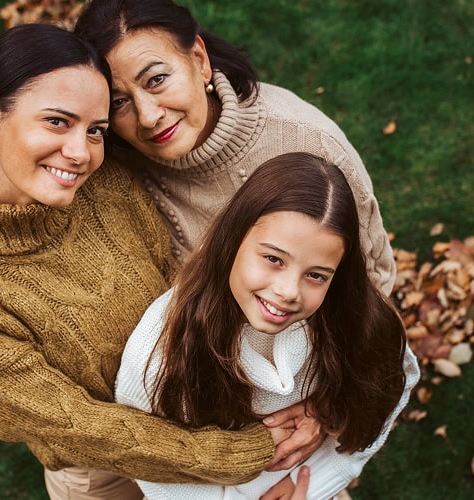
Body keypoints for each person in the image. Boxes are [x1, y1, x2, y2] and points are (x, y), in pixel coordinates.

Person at [0, 23, 315, 500]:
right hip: (110, 478)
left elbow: (179, 289)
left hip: (212, 407)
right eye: (57, 121)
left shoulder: (106, 185)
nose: (80, 154)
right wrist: (236, 457)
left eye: (95, 130)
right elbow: (77, 425)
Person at [115, 153, 421, 500]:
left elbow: (384, 396)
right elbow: (149, 462)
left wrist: (314, 485)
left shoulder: (356, 319)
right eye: (274, 259)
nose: (288, 292)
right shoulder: (159, 348)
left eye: (316, 275)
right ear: (233, 240)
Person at [74, 0, 396, 296]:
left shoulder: (310, 144)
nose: (148, 116)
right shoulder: (115, 170)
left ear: (199, 60)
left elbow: (370, 279)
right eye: (119, 101)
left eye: (156, 79)